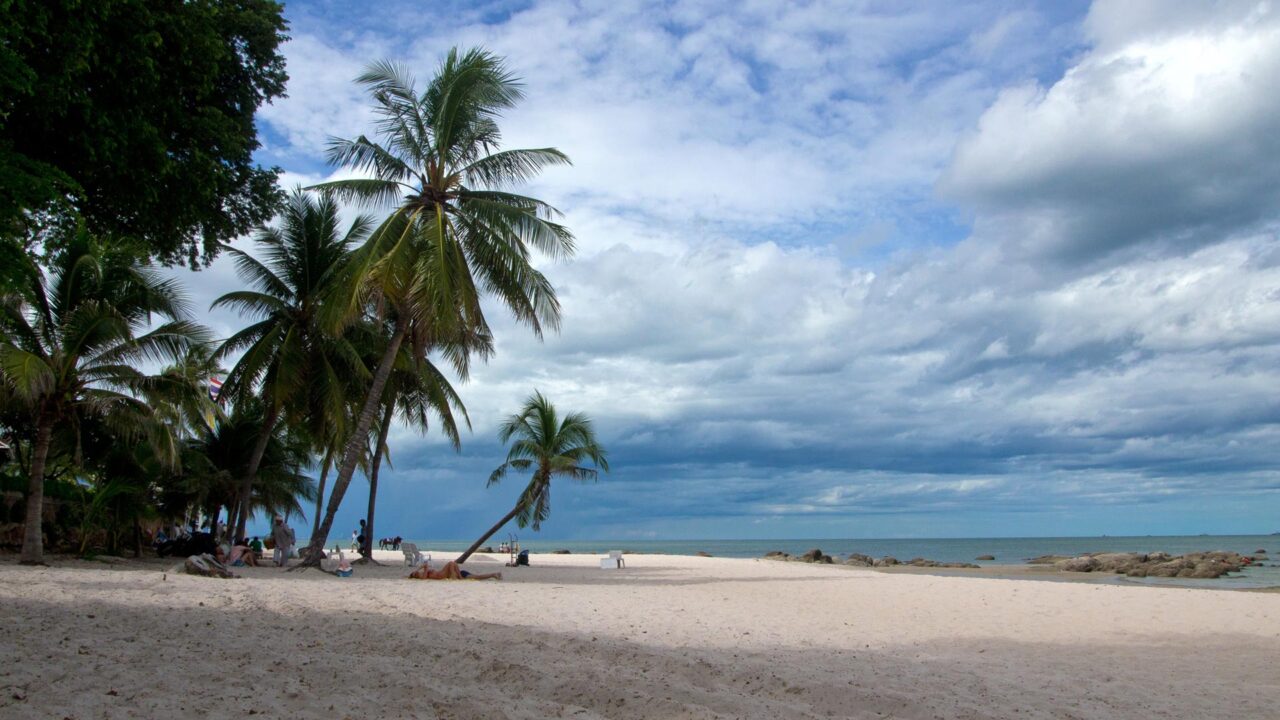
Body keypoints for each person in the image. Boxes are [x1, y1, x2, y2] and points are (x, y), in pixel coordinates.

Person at [408, 560, 501, 581]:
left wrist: (417, 568)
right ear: (414, 576)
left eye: (414, 572)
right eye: (414, 573)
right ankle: (493, 574)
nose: (415, 572)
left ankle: (494, 574)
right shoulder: (423, 576)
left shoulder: (422, 572)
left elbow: (425, 564)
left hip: (457, 573)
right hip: (455, 574)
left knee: (452, 563)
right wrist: (424, 570)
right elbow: (425, 568)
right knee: (477, 577)